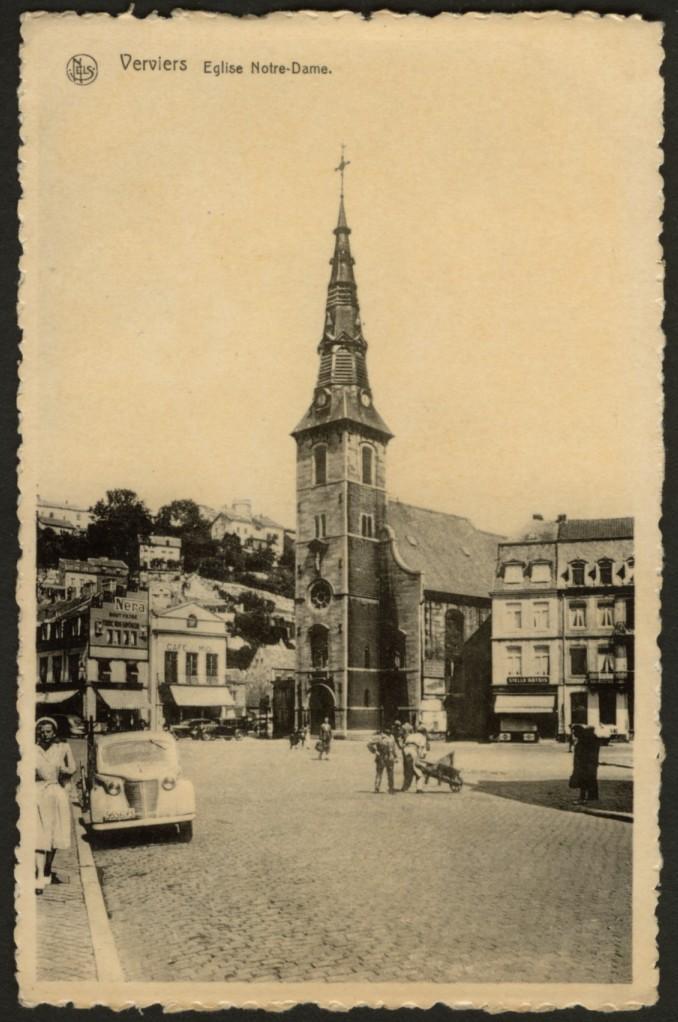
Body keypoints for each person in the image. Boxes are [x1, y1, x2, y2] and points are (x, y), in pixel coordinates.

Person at [35, 717, 76, 893]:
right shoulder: (32, 749)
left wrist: (62, 770)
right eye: (42, 732)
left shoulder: (62, 747)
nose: (45, 735)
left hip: (55, 792)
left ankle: (46, 869)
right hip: (37, 794)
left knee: (54, 833)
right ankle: (39, 876)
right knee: (39, 834)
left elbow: (72, 768)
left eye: (48, 731)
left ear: (54, 732)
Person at [570, 724, 602, 803]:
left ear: (579, 732)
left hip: (585, 764)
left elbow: (583, 753)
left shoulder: (584, 740)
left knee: (583, 781)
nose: (573, 734)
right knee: (591, 779)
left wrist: (580, 764)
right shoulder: (589, 739)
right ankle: (592, 796)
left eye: (574, 732)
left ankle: (582, 798)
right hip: (590, 763)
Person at [367, 728, 398, 793]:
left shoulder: (391, 737)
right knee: (383, 772)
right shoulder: (380, 738)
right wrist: (375, 751)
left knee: (386, 773)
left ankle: (389, 788)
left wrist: (395, 756)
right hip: (383, 756)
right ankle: (380, 787)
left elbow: (394, 748)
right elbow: (369, 744)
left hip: (388, 757)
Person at [402, 724, 428, 793]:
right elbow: (422, 747)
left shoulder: (411, 735)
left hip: (405, 751)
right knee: (418, 771)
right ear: (424, 732)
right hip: (413, 750)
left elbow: (404, 744)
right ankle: (419, 788)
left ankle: (405, 788)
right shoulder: (422, 737)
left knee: (408, 770)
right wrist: (422, 755)